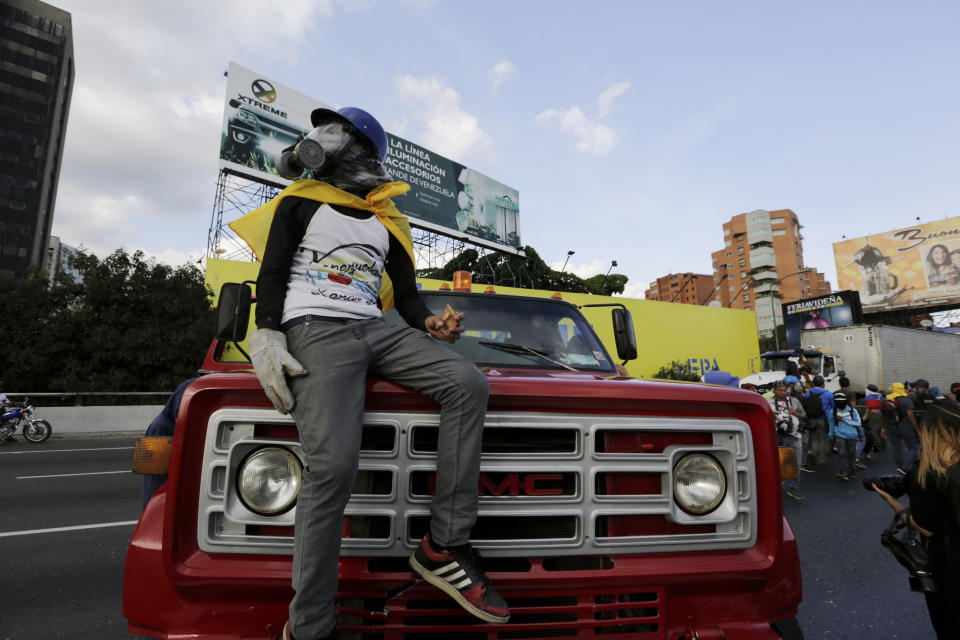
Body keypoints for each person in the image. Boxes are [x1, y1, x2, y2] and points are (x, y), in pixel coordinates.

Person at [237, 106, 509, 640]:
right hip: (315, 328)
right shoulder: (300, 201)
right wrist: (266, 332)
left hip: (375, 328)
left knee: (467, 383)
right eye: (323, 130)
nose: (321, 138)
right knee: (333, 467)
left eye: (335, 130)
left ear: (362, 149)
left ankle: (444, 544)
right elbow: (271, 272)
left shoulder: (387, 222)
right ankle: (310, 624)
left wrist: (432, 322)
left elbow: (406, 297)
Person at [872, 399, 960, 638]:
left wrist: (894, 503)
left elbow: (927, 528)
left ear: (931, 431)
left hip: (950, 569)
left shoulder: (930, 471)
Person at [768, 380, 807, 500]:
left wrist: (795, 413)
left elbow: (804, 415)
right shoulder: (768, 403)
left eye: (784, 390)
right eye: (780, 390)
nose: (783, 392)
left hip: (793, 435)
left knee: (795, 463)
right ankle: (773, 488)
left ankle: (793, 489)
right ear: (774, 391)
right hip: (774, 436)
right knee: (774, 463)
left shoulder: (794, 401)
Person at [800, 375, 835, 473]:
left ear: (814, 383)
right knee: (824, 438)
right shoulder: (828, 394)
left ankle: (812, 453)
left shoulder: (808, 393)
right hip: (824, 419)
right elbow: (833, 406)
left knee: (815, 438)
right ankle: (822, 460)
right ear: (823, 384)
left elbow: (804, 406)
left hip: (811, 419)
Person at [887, 382, 919, 475]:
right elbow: (910, 415)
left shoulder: (886, 400)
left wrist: (884, 429)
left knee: (896, 448)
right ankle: (904, 467)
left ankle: (900, 467)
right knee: (912, 448)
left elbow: (883, 416)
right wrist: (917, 429)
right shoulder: (906, 400)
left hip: (891, 426)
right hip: (905, 426)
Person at [831, 392, 861, 480]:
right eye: (837, 402)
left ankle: (852, 471)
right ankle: (843, 472)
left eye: (841, 402)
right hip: (839, 435)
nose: (839, 404)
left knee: (851, 454)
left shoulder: (852, 410)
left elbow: (858, 423)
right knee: (842, 453)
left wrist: (843, 419)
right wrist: (831, 434)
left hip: (852, 436)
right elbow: (831, 423)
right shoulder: (833, 411)